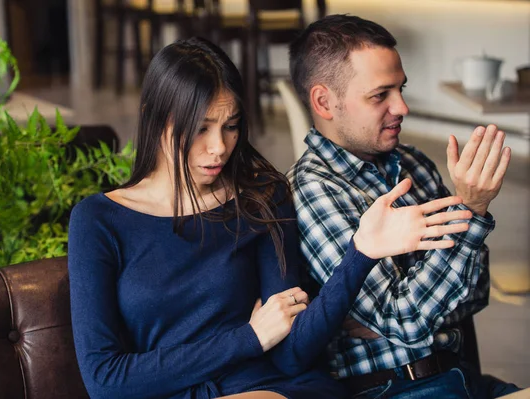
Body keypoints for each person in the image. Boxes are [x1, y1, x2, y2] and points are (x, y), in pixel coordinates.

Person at [67, 37, 471, 399]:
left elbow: (291, 356)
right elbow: (105, 379)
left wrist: (361, 253)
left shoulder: (261, 197)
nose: (219, 149)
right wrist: (249, 338)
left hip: (276, 388)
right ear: (156, 119)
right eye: (200, 128)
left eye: (231, 127)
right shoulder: (98, 221)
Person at [287, 14, 520, 399]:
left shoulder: (412, 163)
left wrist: (406, 312)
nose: (402, 107)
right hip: (396, 388)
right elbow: (409, 320)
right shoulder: (312, 191)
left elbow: (476, 292)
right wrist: (472, 212)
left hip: (461, 377)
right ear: (324, 102)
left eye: (401, 89)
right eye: (380, 95)